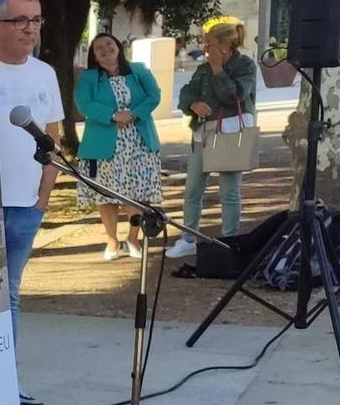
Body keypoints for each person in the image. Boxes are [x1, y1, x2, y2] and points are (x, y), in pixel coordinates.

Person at [0, 0, 63, 405]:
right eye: (19, 20)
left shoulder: (44, 73)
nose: (29, 29)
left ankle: (6, 383)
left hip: (26, 204)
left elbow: (52, 139)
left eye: (35, 20)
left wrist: (44, 195)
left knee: (9, 295)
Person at [166, 17, 257, 259]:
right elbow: (186, 93)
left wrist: (218, 69)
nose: (205, 47)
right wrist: (192, 104)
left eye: (210, 43)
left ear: (225, 45)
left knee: (229, 192)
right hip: (203, 132)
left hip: (230, 132)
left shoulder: (245, 65)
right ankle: (188, 238)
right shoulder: (203, 68)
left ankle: (229, 240)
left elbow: (234, 96)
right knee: (193, 189)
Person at [74, 33, 164, 260]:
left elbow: (154, 96)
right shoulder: (89, 78)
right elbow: (84, 104)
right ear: (93, 55)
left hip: (138, 142)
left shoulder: (138, 70)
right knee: (106, 194)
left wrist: (132, 114)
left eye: (108, 44)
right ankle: (112, 240)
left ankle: (133, 239)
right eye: (98, 48)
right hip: (104, 144)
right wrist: (113, 115)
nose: (105, 50)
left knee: (137, 193)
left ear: (118, 46)